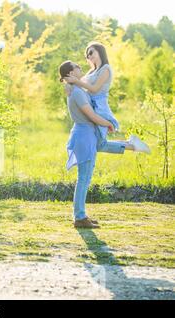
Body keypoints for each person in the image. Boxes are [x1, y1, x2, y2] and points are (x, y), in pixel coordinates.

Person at [59, 60, 150, 228]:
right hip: (84, 136)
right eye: (77, 66)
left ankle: (131, 145)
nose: (81, 67)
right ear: (71, 73)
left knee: (96, 157)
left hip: (87, 135)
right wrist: (107, 124)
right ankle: (79, 217)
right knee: (84, 179)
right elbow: (92, 115)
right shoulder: (77, 92)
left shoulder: (76, 89)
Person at [64, 42, 150, 154]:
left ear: (100, 51)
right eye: (87, 55)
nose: (89, 56)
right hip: (92, 106)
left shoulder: (106, 69)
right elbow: (79, 82)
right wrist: (68, 84)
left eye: (91, 52)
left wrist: (76, 82)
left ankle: (132, 145)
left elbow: (94, 89)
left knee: (99, 144)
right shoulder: (92, 71)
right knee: (99, 144)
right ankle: (131, 144)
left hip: (100, 108)